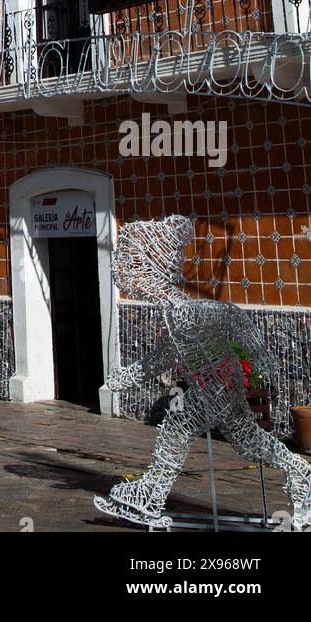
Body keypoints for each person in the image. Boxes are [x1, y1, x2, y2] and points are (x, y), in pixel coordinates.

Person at [95, 214, 311, 530]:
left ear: (150, 272)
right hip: (221, 387)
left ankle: (148, 496)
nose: (122, 274)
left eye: (129, 267)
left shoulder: (184, 310)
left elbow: (231, 316)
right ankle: (301, 473)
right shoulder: (173, 312)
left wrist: (260, 357)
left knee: (177, 427)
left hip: (217, 387)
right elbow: (163, 357)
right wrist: (125, 377)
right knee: (248, 442)